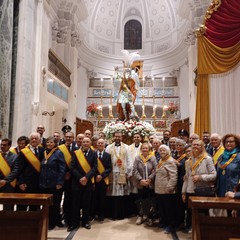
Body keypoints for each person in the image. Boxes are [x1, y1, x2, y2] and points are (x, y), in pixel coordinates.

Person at [182, 140, 216, 233]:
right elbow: (187, 178)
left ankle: (203, 231)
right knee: (190, 212)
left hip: (202, 190)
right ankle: (192, 228)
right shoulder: (188, 161)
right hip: (190, 190)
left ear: (202, 147)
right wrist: (183, 192)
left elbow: (214, 175)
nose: (195, 146)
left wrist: (200, 177)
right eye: (193, 145)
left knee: (202, 212)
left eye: (198, 145)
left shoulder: (207, 159)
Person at [68, 137, 97, 231]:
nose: (85, 143)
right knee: (75, 204)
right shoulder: (76, 153)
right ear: (81, 143)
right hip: (76, 182)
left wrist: (86, 178)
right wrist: (80, 178)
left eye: (87, 142)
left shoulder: (94, 153)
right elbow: (72, 167)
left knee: (86, 204)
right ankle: (75, 223)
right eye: (84, 142)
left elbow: (94, 168)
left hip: (87, 183)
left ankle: (85, 222)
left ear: (90, 143)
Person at [39, 137, 66, 230]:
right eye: (48, 142)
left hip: (54, 183)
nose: (49, 144)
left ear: (55, 143)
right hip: (44, 183)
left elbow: (62, 169)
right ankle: (47, 220)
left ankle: (53, 222)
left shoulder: (58, 153)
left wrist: (60, 182)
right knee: (46, 204)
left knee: (55, 204)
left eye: (51, 142)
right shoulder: (44, 152)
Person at [105, 131, 132, 220]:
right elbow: (105, 160)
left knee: (121, 194)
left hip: (122, 173)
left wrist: (129, 172)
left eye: (119, 137)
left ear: (121, 138)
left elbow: (129, 160)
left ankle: (121, 214)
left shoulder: (127, 147)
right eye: (116, 136)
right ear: (113, 137)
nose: (117, 138)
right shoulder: (108, 147)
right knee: (111, 194)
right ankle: (112, 214)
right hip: (111, 173)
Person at [17, 132, 45, 210]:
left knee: (35, 206)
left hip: (38, 183)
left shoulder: (42, 150)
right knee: (23, 205)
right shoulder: (24, 151)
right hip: (26, 183)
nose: (34, 140)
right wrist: (21, 182)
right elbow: (19, 169)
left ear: (39, 140)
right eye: (32, 138)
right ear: (29, 140)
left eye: (36, 138)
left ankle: (34, 222)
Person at [155, 145, 178, 234]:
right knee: (162, 208)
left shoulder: (170, 161)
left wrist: (169, 188)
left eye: (164, 150)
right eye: (161, 151)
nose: (162, 152)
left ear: (168, 151)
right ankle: (164, 222)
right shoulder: (161, 160)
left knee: (169, 209)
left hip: (167, 190)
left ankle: (171, 225)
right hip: (160, 189)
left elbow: (173, 176)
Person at [133, 142, 157, 225]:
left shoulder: (153, 158)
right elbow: (135, 170)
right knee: (140, 199)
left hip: (150, 183)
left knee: (150, 199)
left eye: (146, 148)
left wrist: (150, 179)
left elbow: (155, 169)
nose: (145, 149)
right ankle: (140, 215)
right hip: (140, 183)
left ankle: (149, 216)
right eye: (143, 148)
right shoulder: (137, 158)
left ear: (149, 149)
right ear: (141, 149)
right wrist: (140, 180)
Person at [58, 131, 78, 227]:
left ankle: (68, 217)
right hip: (61, 178)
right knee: (58, 199)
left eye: (70, 137)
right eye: (67, 137)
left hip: (72, 178)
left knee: (70, 199)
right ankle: (58, 218)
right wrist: (64, 174)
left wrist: (70, 173)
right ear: (64, 137)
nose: (68, 138)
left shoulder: (77, 149)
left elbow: (76, 165)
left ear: (73, 138)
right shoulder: (59, 148)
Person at [94, 138, 112, 222]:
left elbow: (109, 168)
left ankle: (101, 215)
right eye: (99, 143)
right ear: (96, 144)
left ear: (104, 145)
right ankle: (93, 214)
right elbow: (90, 167)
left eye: (102, 143)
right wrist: (95, 176)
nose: (100, 144)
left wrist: (101, 176)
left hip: (103, 180)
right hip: (94, 179)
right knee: (94, 198)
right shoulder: (93, 154)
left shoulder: (108, 155)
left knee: (102, 198)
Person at [216, 134, 240, 198]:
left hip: (233, 191)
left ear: (236, 143)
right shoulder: (221, 157)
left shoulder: (239, 156)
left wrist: (237, 194)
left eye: (231, 142)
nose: (228, 143)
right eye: (226, 142)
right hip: (220, 189)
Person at [0, 138, 19, 209]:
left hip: (8, 184)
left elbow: (15, 171)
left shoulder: (15, 157)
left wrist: (5, 181)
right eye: (1, 145)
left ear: (9, 146)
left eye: (4, 145)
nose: (2, 146)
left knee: (8, 207)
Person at [174, 139, 188, 229]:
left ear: (184, 147)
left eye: (180, 145)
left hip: (182, 181)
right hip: (173, 181)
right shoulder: (173, 155)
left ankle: (182, 222)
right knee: (175, 202)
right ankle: (176, 221)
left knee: (181, 203)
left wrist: (178, 164)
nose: (178, 147)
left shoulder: (186, 156)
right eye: (177, 145)